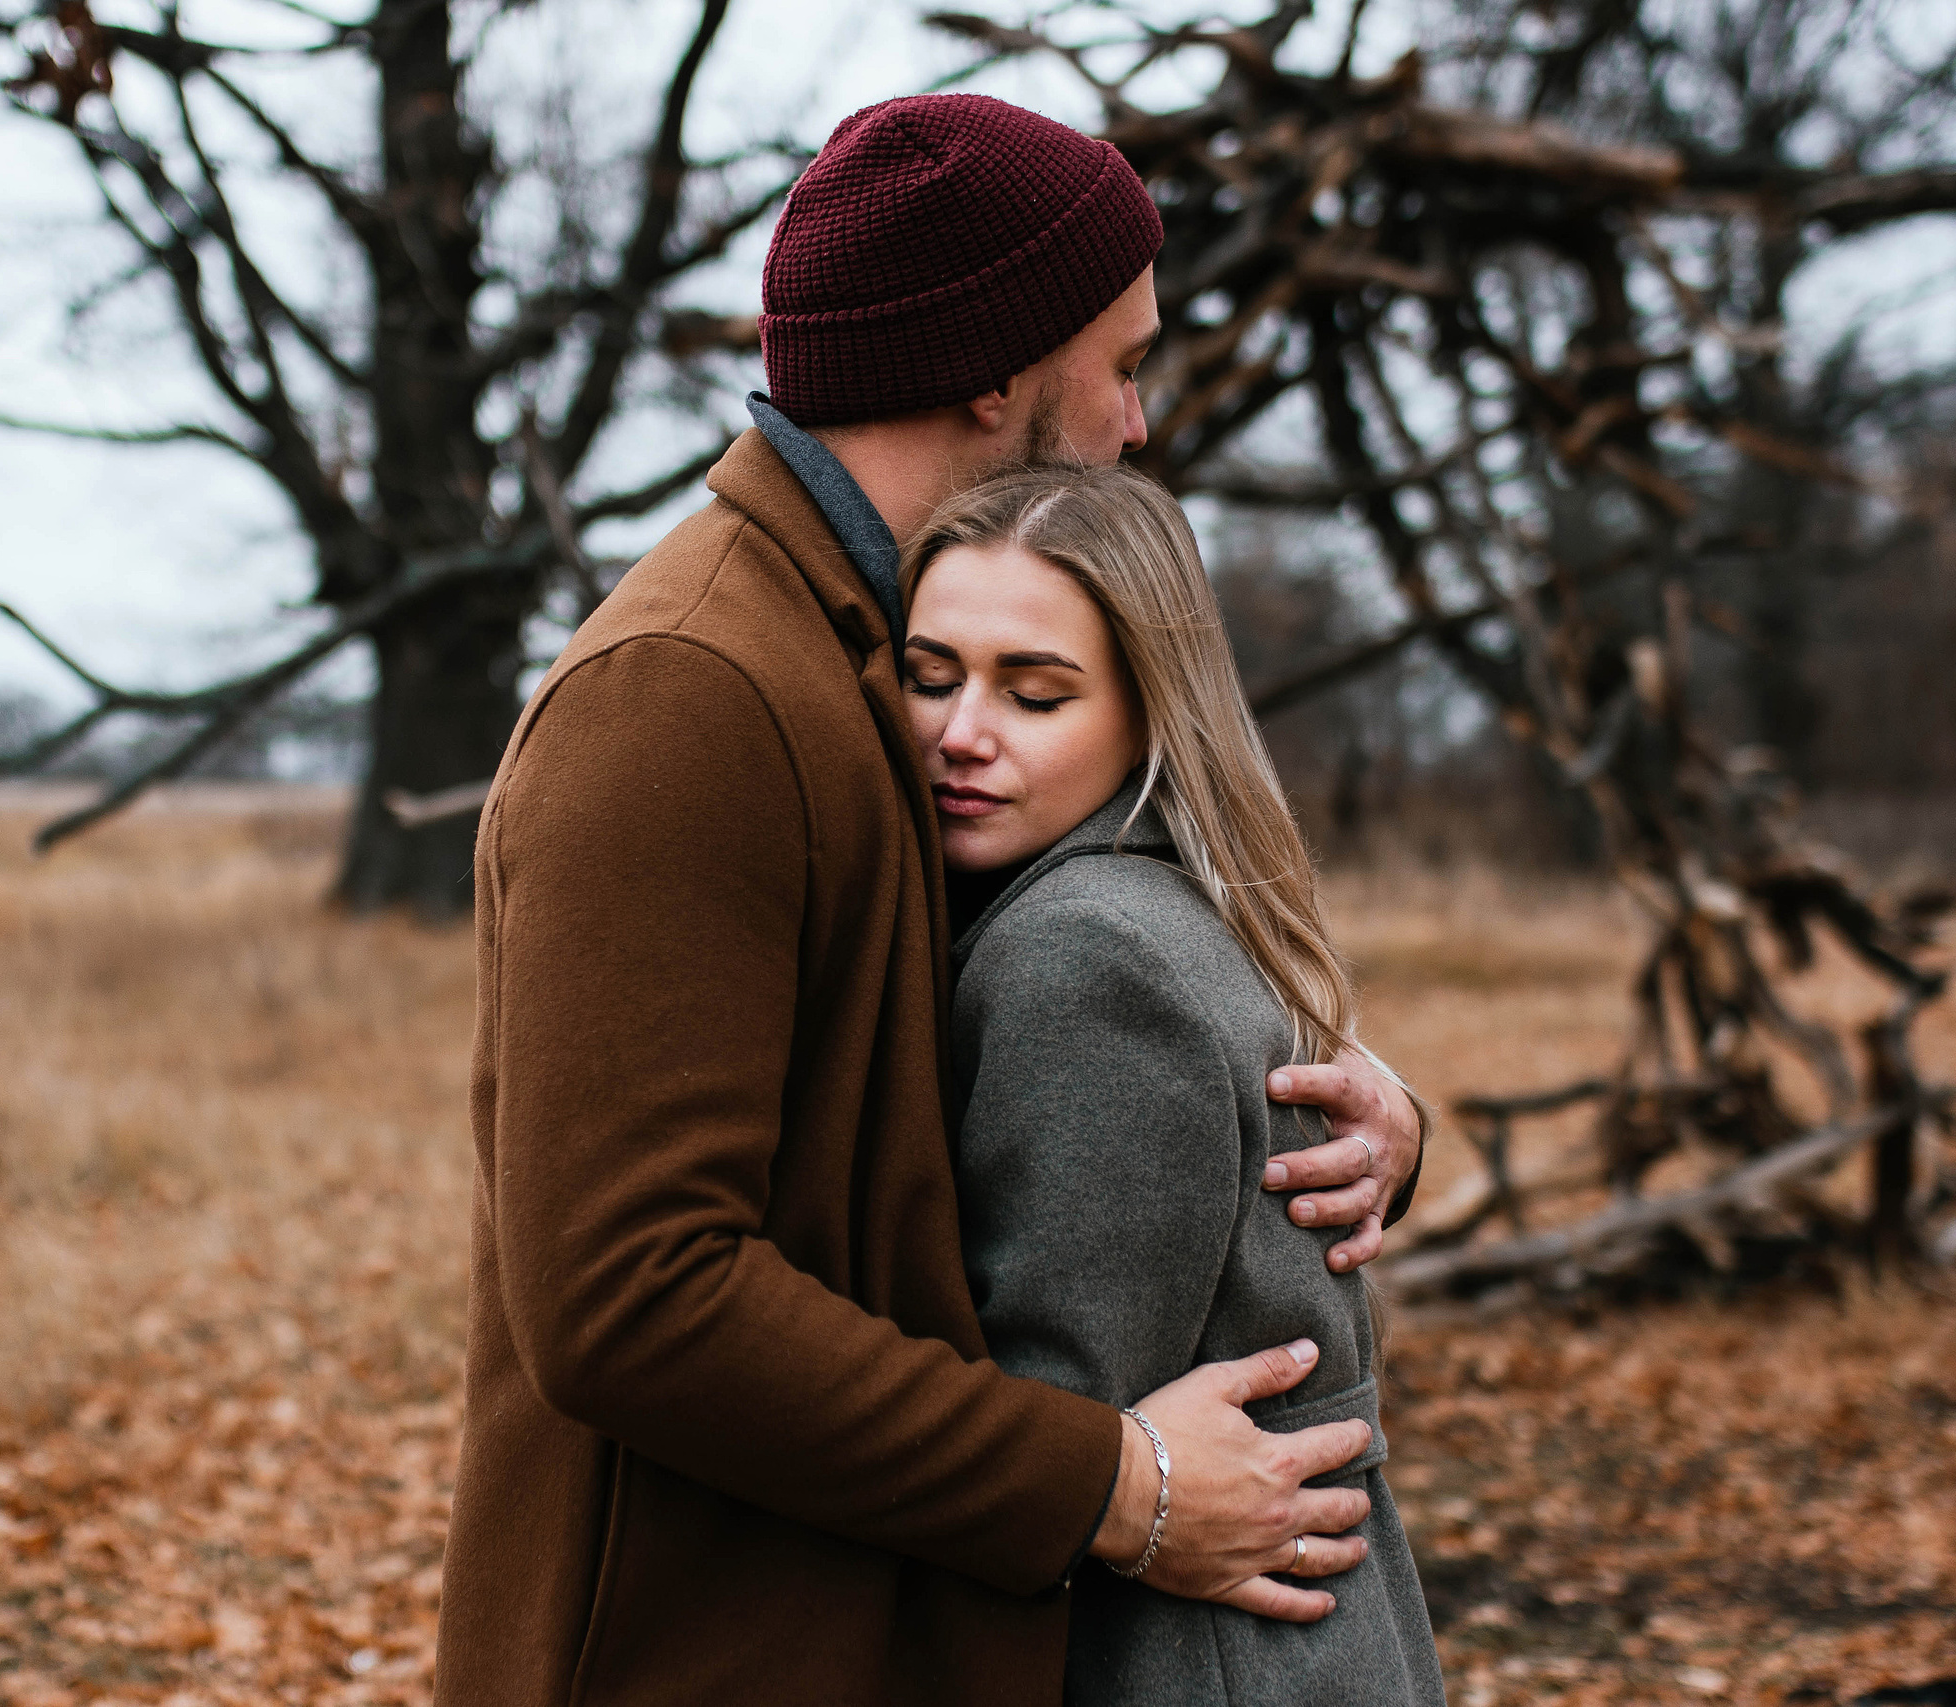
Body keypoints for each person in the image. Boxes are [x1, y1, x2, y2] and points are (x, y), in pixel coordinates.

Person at [435, 94, 1427, 1707]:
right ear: (1000, 367)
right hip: (698, 1646)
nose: (1137, 417)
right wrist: (1115, 1484)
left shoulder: (879, 654)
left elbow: (1039, 974)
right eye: (1123, 361)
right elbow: (628, 1292)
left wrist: (1327, 1099)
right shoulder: (689, 687)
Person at [904, 464, 1447, 1705]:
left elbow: (1056, 1411)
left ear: (1152, 713)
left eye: (1034, 694)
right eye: (930, 676)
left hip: (1185, 1659)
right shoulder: (1146, 904)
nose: (961, 732)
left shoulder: (1079, 954)